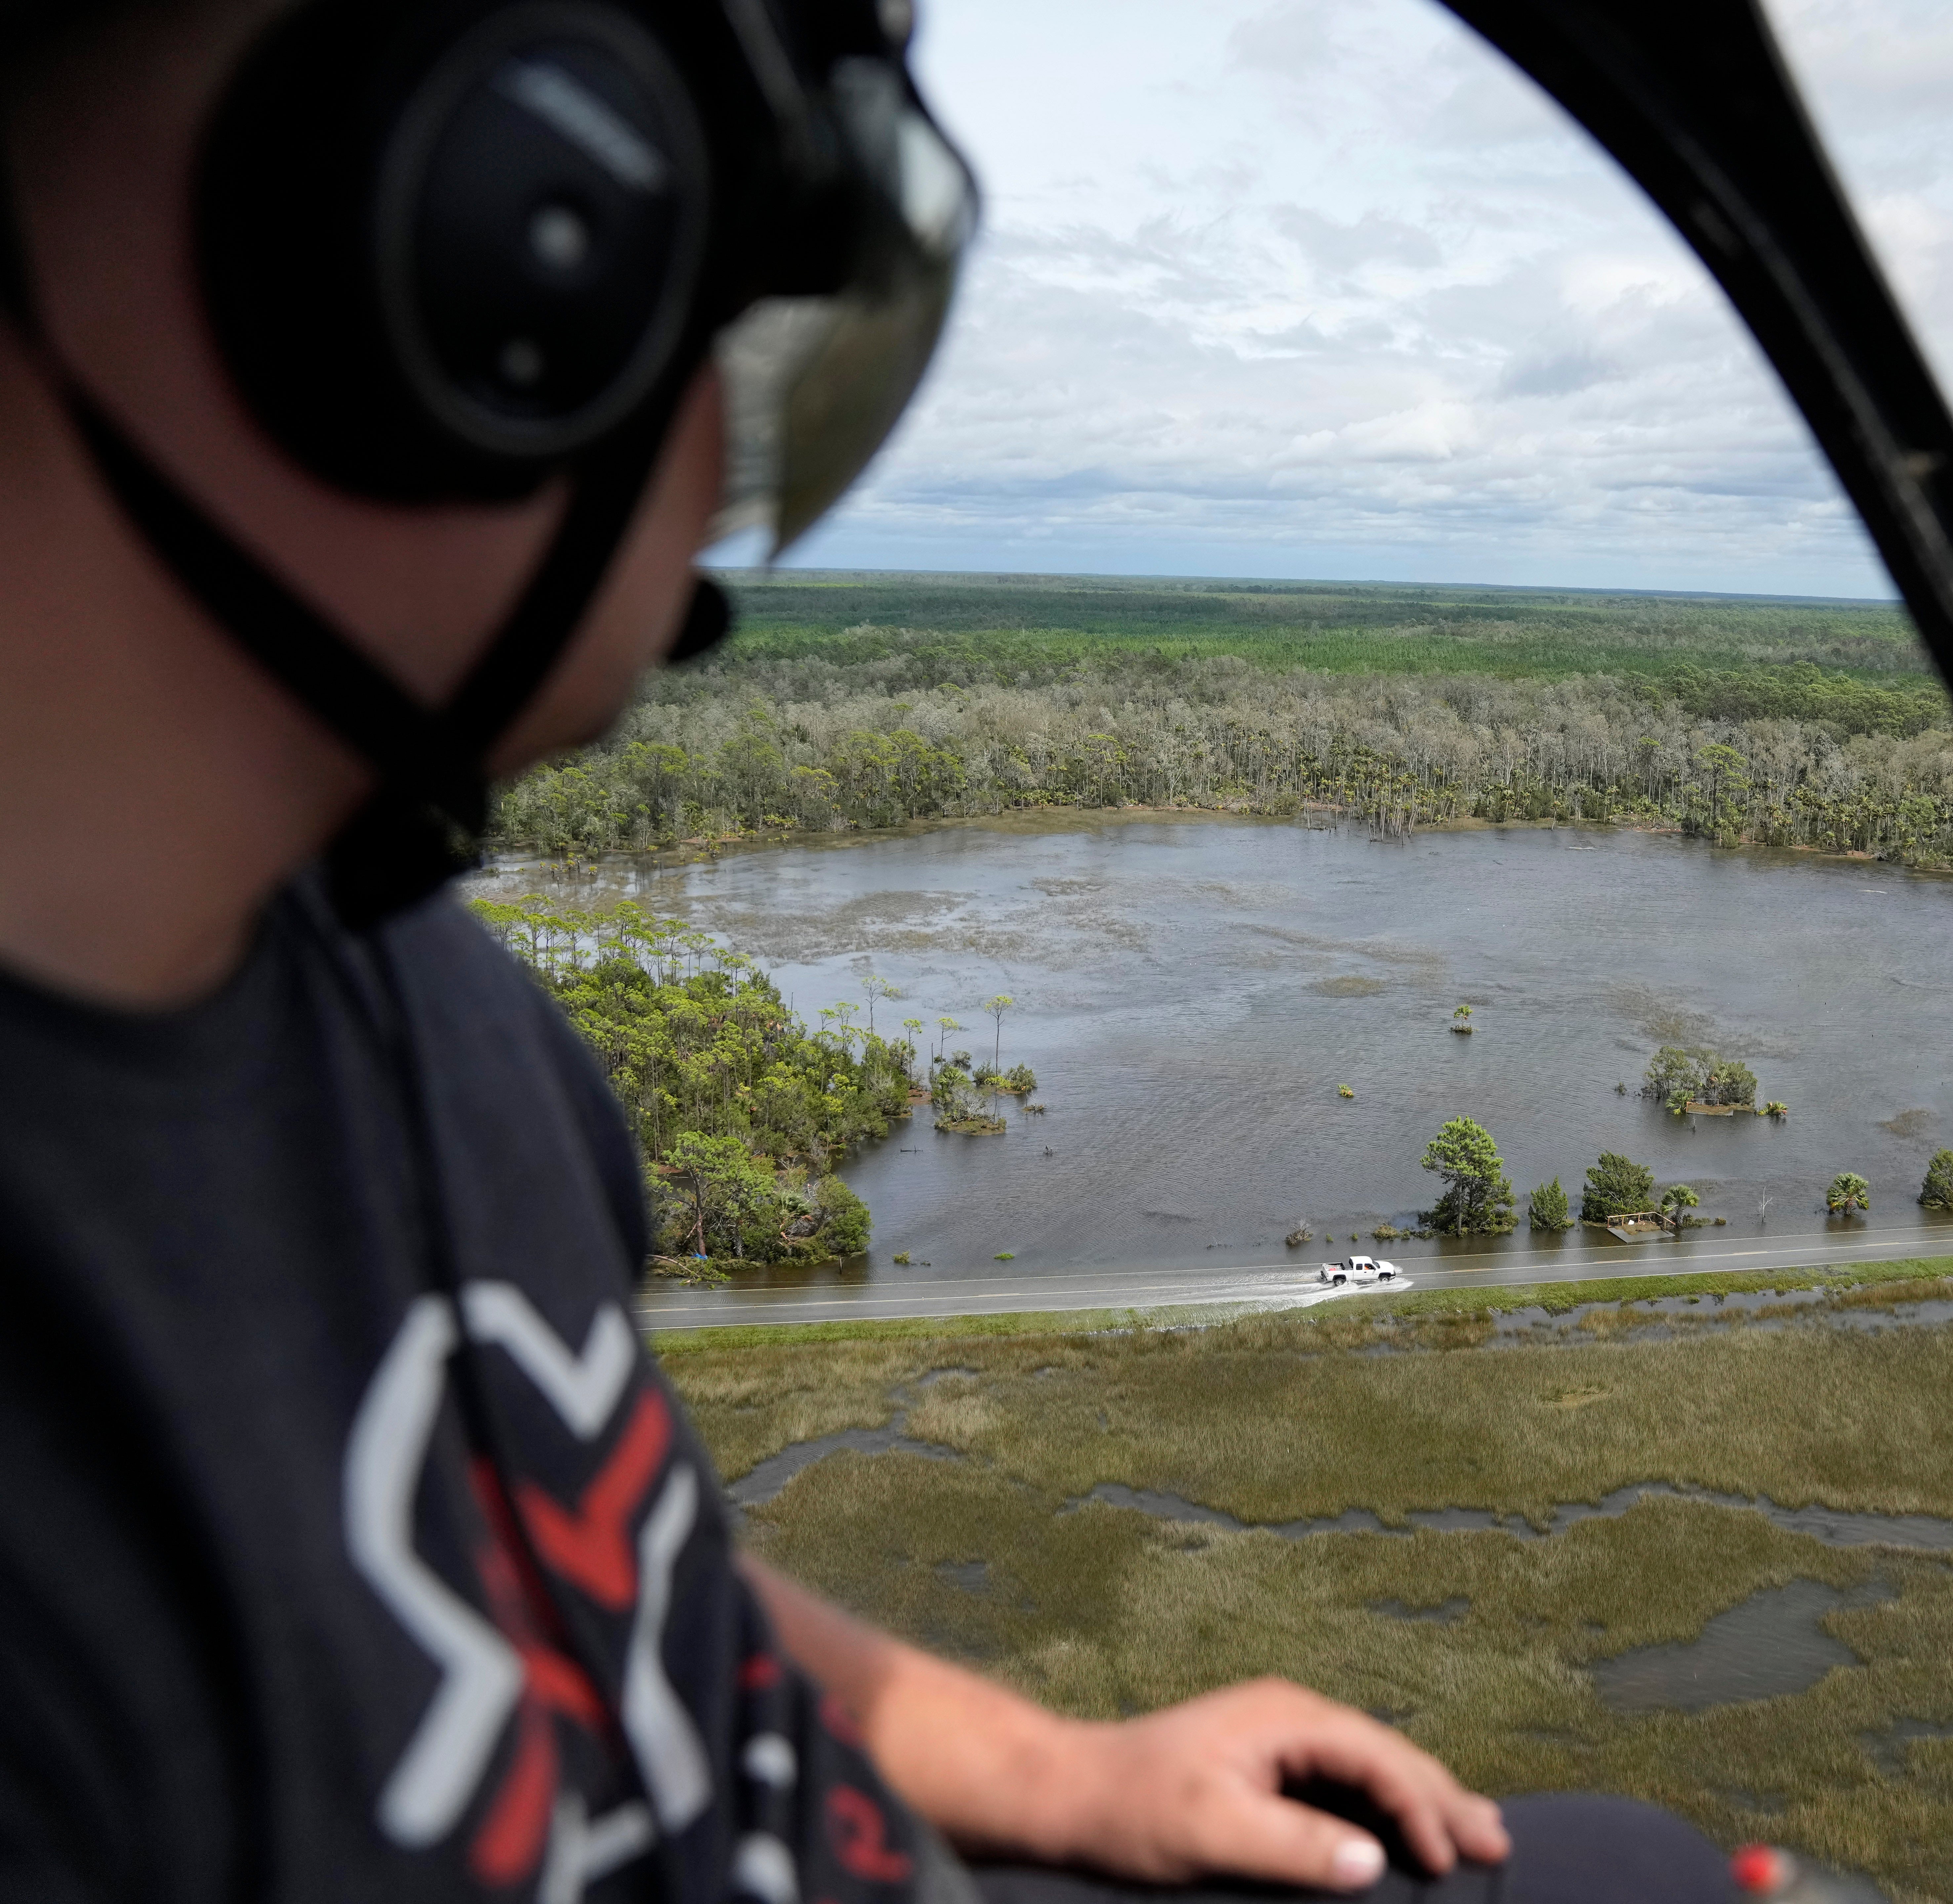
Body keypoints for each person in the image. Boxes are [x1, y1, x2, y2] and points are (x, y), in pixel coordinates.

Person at [0, 0, 1738, 1899]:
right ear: (486, 245)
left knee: (1635, 1867)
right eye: (715, 276)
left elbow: (606, 1550)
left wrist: (1060, 1773)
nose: (717, 411)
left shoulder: (428, 1003)